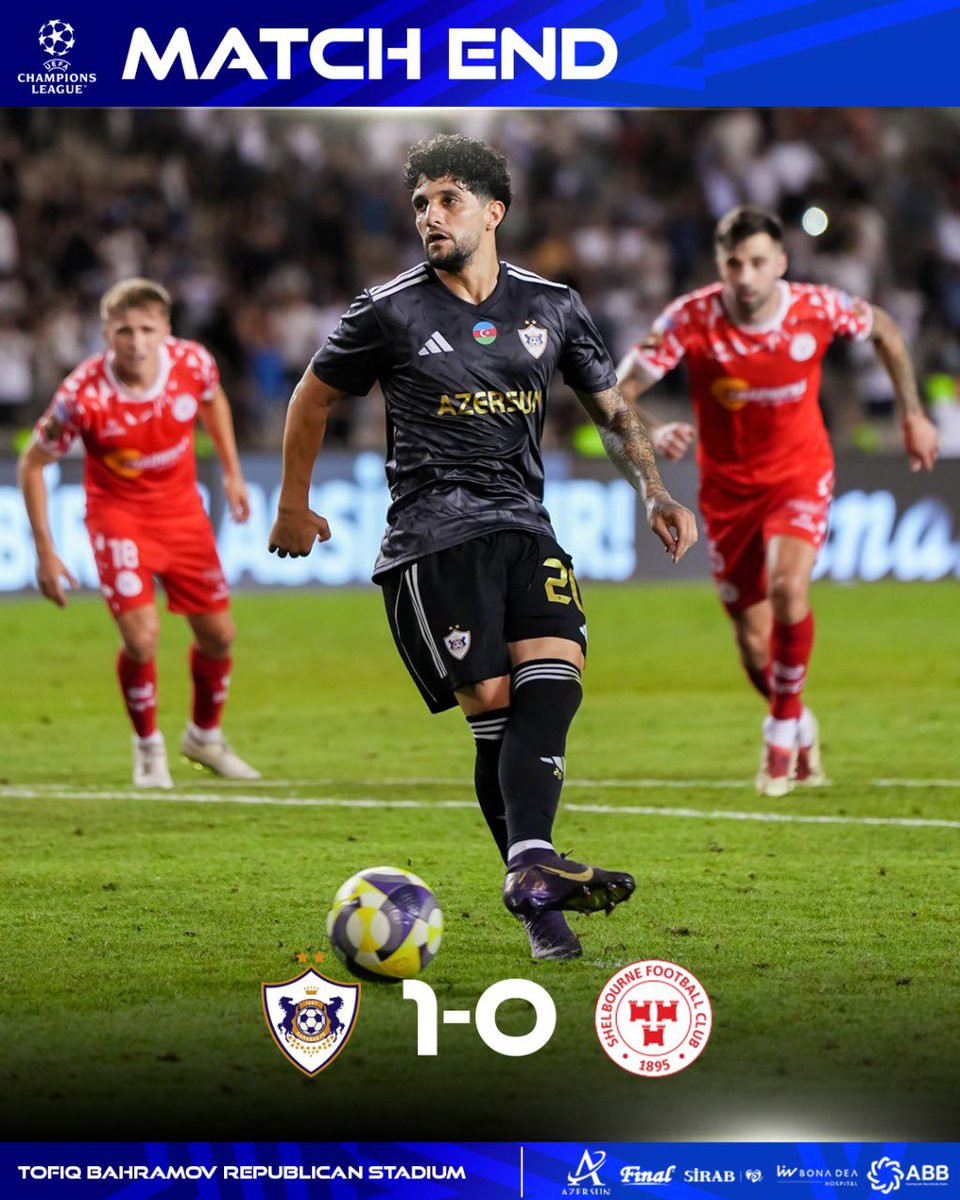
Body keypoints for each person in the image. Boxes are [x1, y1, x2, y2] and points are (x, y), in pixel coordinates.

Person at [268, 134, 697, 961]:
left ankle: (531, 868)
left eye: (448, 201)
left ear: (493, 211)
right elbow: (310, 399)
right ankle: (540, 905)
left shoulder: (554, 305)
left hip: (524, 524)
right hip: (432, 538)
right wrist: (293, 504)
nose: (430, 217)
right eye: (421, 204)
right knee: (496, 713)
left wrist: (654, 490)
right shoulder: (387, 310)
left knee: (557, 679)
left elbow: (613, 412)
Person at [618, 206, 939, 797]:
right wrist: (656, 429)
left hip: (799, 474)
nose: (746, 276)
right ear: (720, 265)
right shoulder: (690, 318)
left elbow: (887, 330)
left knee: (789, 586)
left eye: (758, 262)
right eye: (734, 264)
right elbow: (620, 390)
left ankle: (781, 730)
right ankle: (798, 716)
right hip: (727, 491)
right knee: (752, 642)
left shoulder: (817, 307)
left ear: (781, 263)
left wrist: (912, 414)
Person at [19, 278, 260, 789]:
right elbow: (31, 464)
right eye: (124, 330)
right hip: (118, 518)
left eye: (147, 329)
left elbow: (213, 400)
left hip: (183, 514)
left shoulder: (193, 363)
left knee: (220, 637)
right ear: (106, 334)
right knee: (141, 637)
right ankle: (148, 748)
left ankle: (204, 738)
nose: (136, 341)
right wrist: (45, 551)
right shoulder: (81, 395)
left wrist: (232, 471)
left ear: (166, 330)